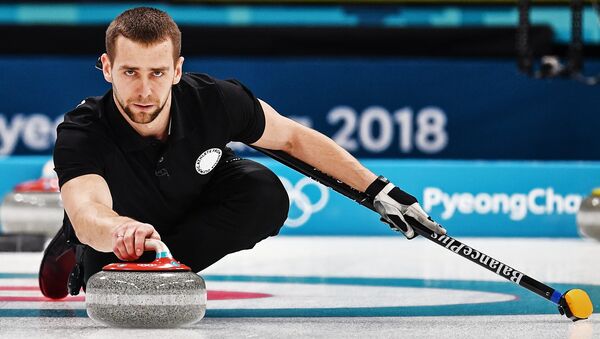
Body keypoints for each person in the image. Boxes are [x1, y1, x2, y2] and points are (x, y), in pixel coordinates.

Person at [39, 7, 446, 299]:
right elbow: (89, 208)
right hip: (122, 226)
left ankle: (163, 267)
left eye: (157, 73)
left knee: (263, 192)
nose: (144, 91)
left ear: (177, 70)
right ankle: (73, 250)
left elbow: (293, 139)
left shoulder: (216, 100)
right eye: (130, 72)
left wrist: (379, 191)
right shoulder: (82, 129)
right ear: (107, 67)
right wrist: (118, 232)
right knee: (101, 284)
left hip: (192, 203)